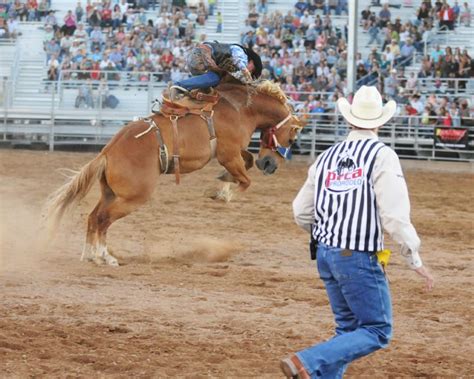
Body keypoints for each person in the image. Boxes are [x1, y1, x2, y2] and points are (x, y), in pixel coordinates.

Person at [281, 86, 434, 379]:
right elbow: (394, 215)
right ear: (379, 121)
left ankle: (312, 365)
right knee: (378, 329)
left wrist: (326, 233)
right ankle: (307, 361)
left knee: (349, 330)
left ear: (350, 119)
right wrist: (413, 258)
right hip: (357, 255)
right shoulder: (382, 155)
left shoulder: (326, 156)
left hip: (326, 253)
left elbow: (300, 210)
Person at [169, 41, 262, 100]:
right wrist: (247, 76)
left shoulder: (235, 65)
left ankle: (184, 93)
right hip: (202, 56)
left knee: (211, 87)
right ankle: (178, 86)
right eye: (252, 70)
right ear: (251, 62)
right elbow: (239, 61)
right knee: (215, 78)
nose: (250, 72)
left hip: (198, 58)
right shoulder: (240, 52)